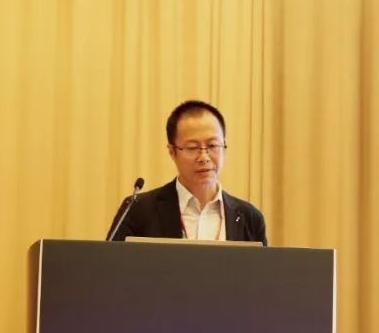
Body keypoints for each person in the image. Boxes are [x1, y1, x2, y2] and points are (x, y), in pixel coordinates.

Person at [108, 100, 267, 245]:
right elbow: (111, 264)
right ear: (172, 152)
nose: (204, 157)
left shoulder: (250, 218)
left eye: (212, 146)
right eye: (192, 148)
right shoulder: (139, 211)